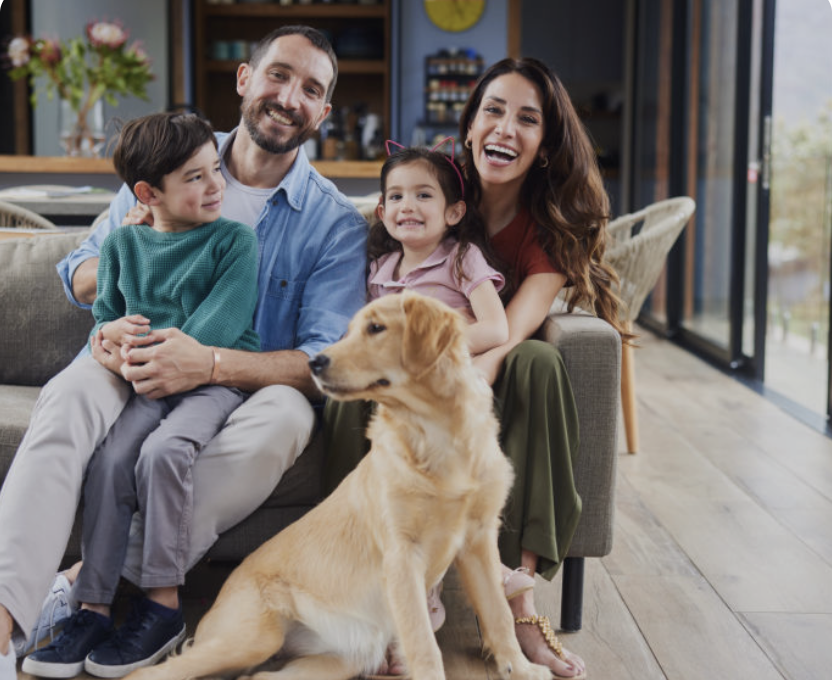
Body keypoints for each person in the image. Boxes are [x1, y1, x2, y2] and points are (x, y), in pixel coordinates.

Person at [0, 25, 367, 680]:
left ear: (324, 113)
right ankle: (5, 623)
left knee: (284, 419)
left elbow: (322, 359)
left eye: (312, 89)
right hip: (133, 349)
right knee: (70, 398)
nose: (290, 97)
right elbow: (82, 274)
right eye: (279, 74)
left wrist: (213, 364)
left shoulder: (332, 221)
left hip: (248, 382)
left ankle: (93, 583)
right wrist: (111, 312)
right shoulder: (166, 157)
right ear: (245, 79)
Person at [324, 57, 629, 680]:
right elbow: (389, 204)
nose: (505, 129)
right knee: (351, 391)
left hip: (495, 363)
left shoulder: (548, 227)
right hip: (424, 373)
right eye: (493, 110)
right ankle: (380, 593)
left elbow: (512, 330)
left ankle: (519, 605)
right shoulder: (435, 184)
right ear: (469, 126)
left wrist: (473, 369)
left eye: (527, 119)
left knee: (541, 361)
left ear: (544, 145)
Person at [21, 111, 262, 678]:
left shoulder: (235, 241)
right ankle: (94, 608)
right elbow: (106, 314)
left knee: (163, 453)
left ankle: (162, 606)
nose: (215, 187)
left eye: (214, 172)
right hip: (148, 379)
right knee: (110, 460)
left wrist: (150, 351)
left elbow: (218, 330)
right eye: (195, 178)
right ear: (149, 193)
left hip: (211, 381)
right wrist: (111, 334)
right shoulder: (124, 244)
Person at [367, 142, 508, 354]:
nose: (407, 206)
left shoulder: (462, 258)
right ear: (382, 212)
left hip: (445, 372)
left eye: (423, 195)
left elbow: (495, 329)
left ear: (454, 212)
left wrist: (424, 348)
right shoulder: (379, 271)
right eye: (396, 197)